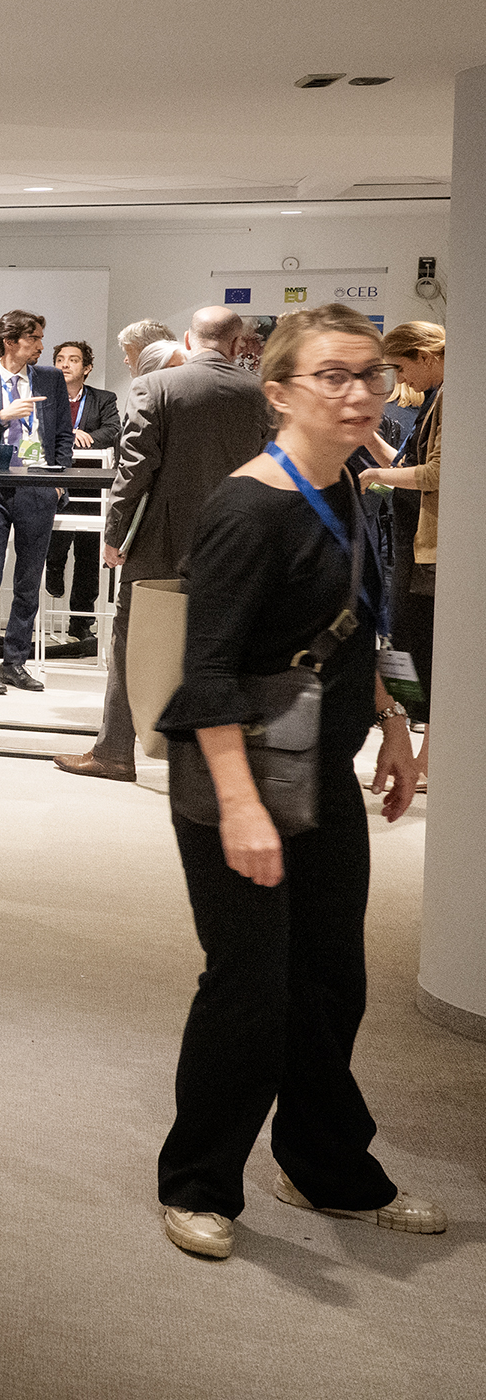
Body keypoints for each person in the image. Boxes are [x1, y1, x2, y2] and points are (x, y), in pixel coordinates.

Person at [149, 303, 438, 1261]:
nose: (359, 393)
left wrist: (393, 728)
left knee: (328, 979)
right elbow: (207, 674)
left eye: (370, 374)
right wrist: (241, 807)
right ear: (277, 393)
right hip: (233, 776)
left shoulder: (350, 483)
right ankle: (197, 1181)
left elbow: (359, 623)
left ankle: (323, 1166)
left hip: (319, 764)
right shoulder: (246, 508)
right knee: (250, 986)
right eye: (332, 376)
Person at [55, 307, 274, 783]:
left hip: (161, 539)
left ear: (189, 341)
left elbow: (135, 469)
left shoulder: (154, 386)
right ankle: (218, 762)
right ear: (238, 345)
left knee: (131, 641)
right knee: (224, 645)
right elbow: (270, 467)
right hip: (235, 540)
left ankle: (114, 752)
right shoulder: (259, 392)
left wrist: (115, 535)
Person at [0, 310, 74, 695]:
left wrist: (58, 481)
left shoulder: (50, 379)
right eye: (34, 338)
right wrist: (2, 417)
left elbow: (64, 434)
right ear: (10, 342)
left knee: (28, 579)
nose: (41, 345)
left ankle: (15, 663)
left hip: (39, 487)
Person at [362, 321, 444, 788]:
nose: (401, 379)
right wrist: (372, 445)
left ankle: (426, 756)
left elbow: (435, 473)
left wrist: (373, 476)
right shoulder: (435, 399)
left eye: (402, 367)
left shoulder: (448, 398)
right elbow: (406, 467)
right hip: (410, 543)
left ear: (425, 356)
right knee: (403, 644)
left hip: (425, 547)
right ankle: (414, 752)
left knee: (419, 650)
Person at [44, 339, 120, 654]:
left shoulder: (103, 399)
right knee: (57, 540)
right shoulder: (45, 396)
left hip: (90, 486)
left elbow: (113, 430)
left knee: (88, 555)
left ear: (86, 368)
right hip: (56, 482)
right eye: (60, 359)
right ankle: (54, 567)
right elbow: (38, 430)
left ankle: (81, 622)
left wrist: (85, 437)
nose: (65, 364)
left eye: (73, 360)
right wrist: (68, 435)